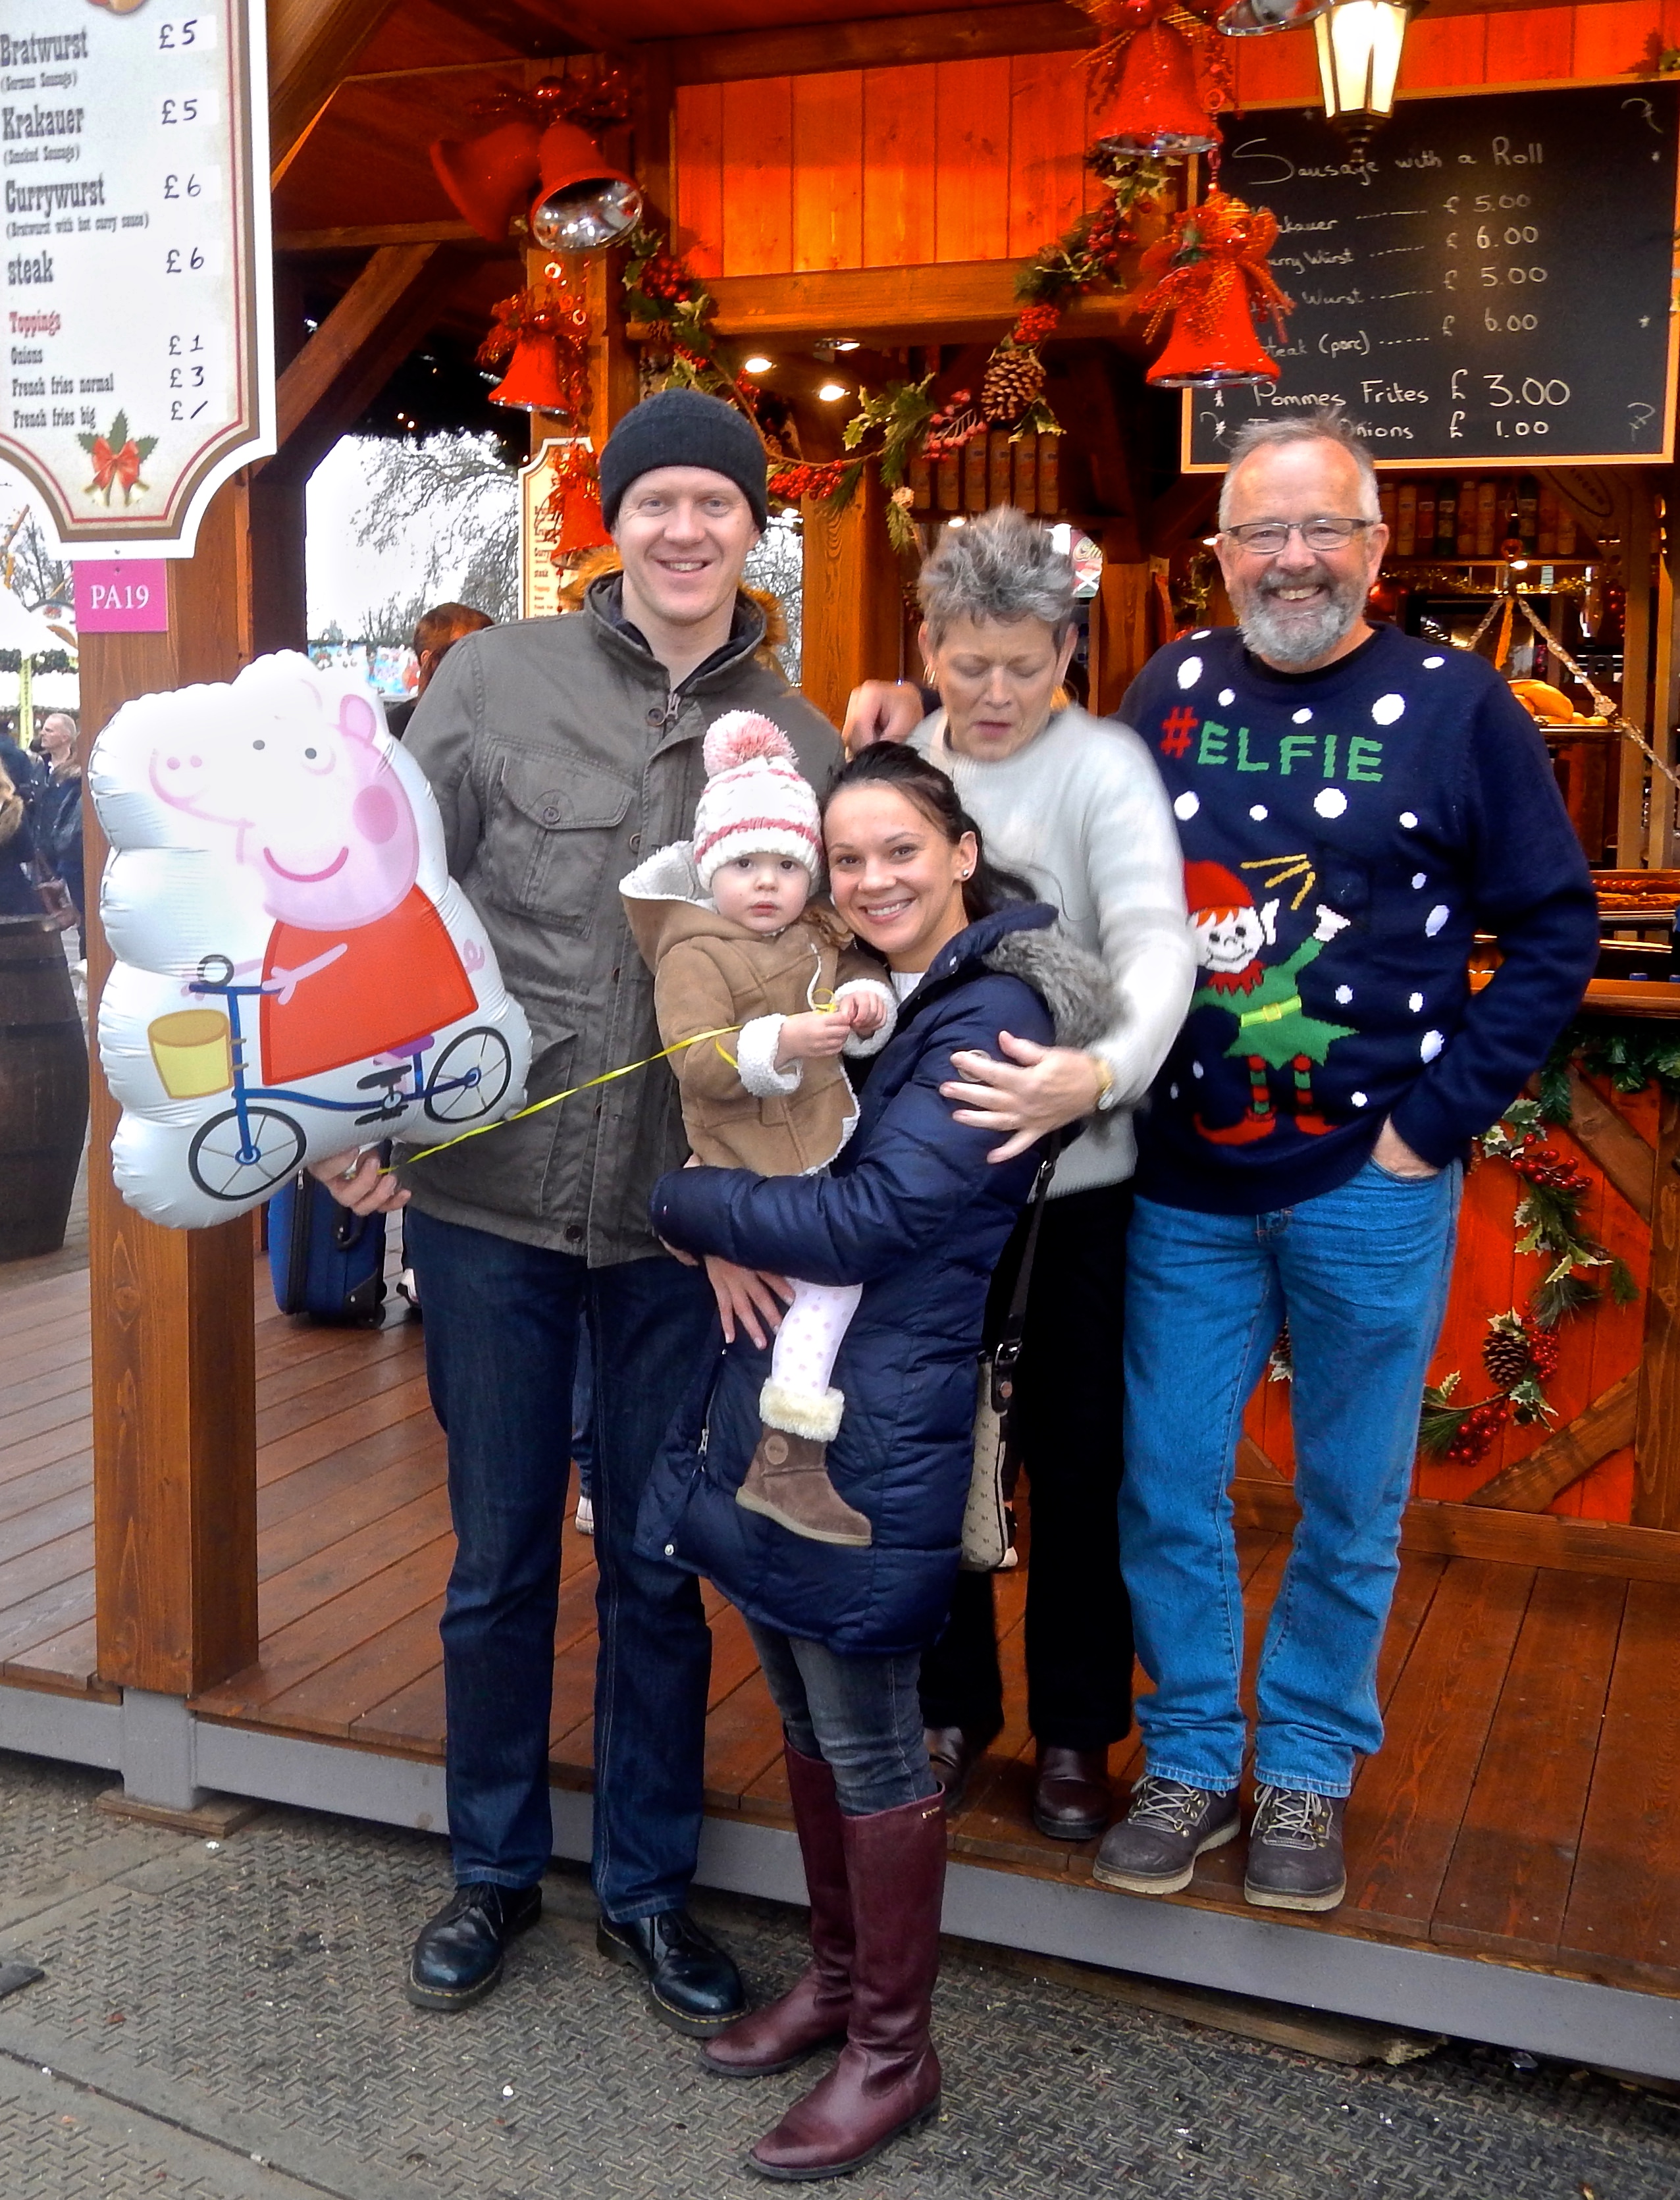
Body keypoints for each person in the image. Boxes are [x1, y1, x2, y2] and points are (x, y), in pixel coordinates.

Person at [309, 389, 839, 2030]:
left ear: (753, 528)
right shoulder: (493, 680)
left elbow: (815, 995)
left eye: (716, 503)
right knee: (498, 1557)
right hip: (489, 1204)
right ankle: (487, 1870)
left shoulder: (800, 743)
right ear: (611, 520)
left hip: (683, 1233)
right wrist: (355, 1116)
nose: (685, 529)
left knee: (659, 1570)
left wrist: (764, 1210)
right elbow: (385, 901)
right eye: (657, 500)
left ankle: (646, 1892)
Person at [1087, 410, 1598, 1911]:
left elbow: (1552, 927)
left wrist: (1425, 1129)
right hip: (1182, 1177)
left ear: (1374, 548)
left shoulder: (1457, 705)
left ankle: (1305, 1764)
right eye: (1264, 531)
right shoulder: (1167, 689)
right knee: (1166, 1480)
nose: (1293, 557)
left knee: (1349, 1497)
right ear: (1221, 553)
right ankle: (1190, 1756)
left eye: (1323, 528)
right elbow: (1093, 875)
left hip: (1367, 1182)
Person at [640, 742, 1116, 2179]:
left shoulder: (996, 1008)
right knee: (799, 1693)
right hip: (804, 1396)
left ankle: (894, 2052)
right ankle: (841, 1983)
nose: (870, 879)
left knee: (866, 1730)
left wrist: (685, 1202)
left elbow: (873, 1220)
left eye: (899, 849)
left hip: (884, 1413)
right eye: (845, 859)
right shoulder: (869, 987)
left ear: (961, 852)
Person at [845, 508, 1194, 1843]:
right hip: (924, 1191)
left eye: (1026, 665)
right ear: (927, 646)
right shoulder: (898, 766)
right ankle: (947, 1702)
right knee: (923, 1446)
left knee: (1077, 1458)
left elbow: (1156, 940)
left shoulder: (1103, 766)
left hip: (1075, 1189)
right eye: (969, 662)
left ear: (1068, 652)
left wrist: (1097, 1073)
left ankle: (1074, 1728)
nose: (994, 693)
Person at [621, 710, 897, 1543]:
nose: (767, 883)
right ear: (712, 870)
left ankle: (772, 1460)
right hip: (742, 1161)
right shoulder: (694, 954)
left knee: (810, 1298)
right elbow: (695, 1059)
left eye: (786, 865)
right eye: (744, 865)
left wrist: (864, 1003)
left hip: (815, 1146)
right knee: (827, 1284)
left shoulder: (814, 931)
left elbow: (858, 968)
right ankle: (785, 1453)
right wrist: (779, 1041)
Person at [383, 602, 493, 739]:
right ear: (430, 661)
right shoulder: (394, 730)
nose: (481, 661)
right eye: (465, 651)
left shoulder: (503, 719)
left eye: (488, 650)